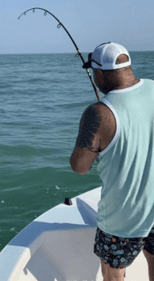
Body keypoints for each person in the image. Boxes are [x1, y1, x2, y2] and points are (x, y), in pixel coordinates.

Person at [70, 42, 154, 281]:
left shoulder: (97, 113)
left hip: (121, 220)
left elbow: (80, 167)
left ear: (99, 73)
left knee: (113, 274)